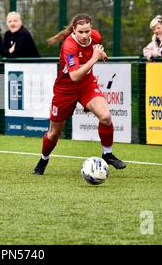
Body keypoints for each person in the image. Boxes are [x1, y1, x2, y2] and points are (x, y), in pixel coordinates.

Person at [32, 13, 126, 175]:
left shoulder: (95, 36)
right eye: (80, 32)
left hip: (87, 86)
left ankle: (107, 154)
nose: (84, 35)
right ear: (73, 30)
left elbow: (95, 48)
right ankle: (43, 159)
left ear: (91, 29)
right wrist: (94, 58)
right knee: (54, 133)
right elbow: (74, 76)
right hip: (65, 90)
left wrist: (101, 53)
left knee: (105, 117)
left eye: (87, 31)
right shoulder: (69, 46)